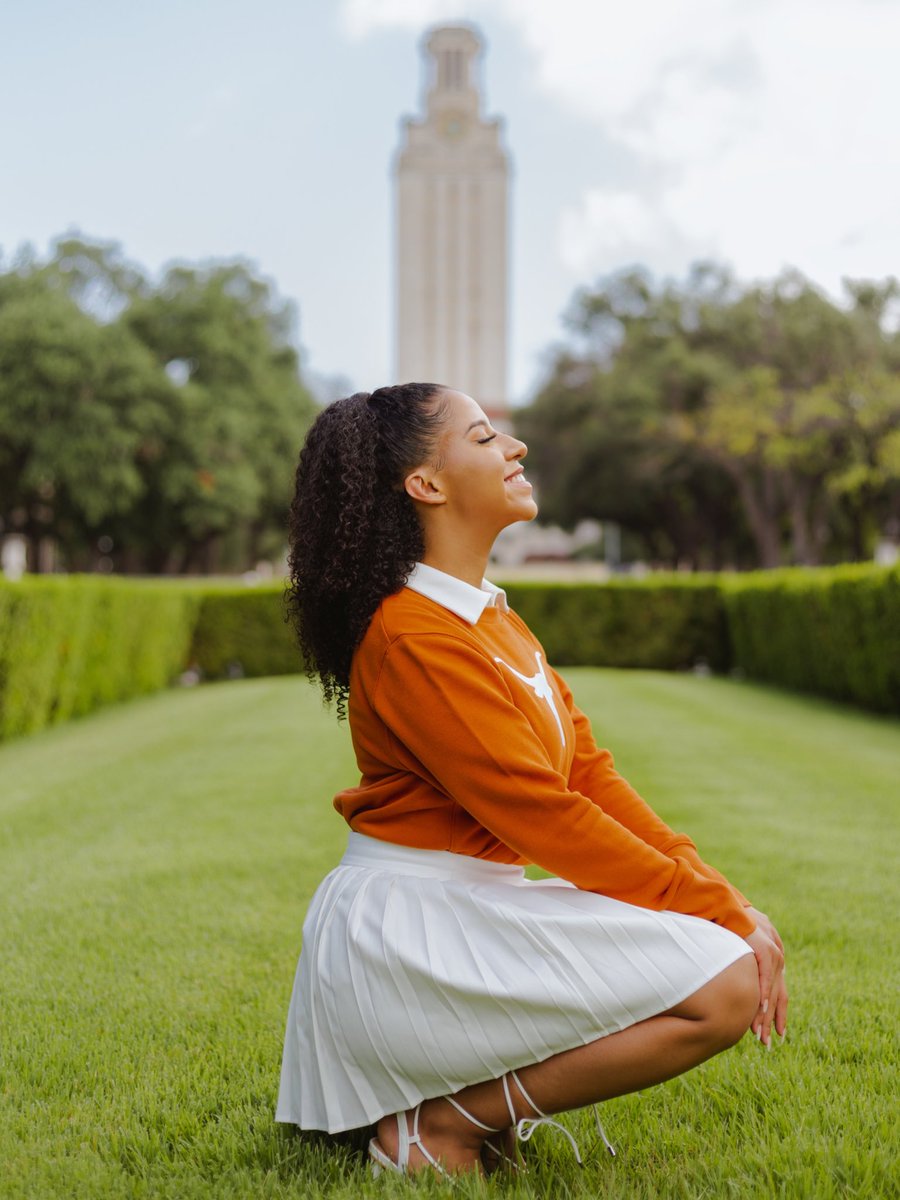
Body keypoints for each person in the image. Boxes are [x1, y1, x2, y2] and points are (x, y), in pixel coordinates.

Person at [276, 382, 787, 1177]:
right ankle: (436, 1127)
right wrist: (725, 917)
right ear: (427, 485)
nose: (514, 449)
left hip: (471, 903)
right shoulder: (414, 635)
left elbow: (588, 774)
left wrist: (720, 895)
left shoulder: (493, 619)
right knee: (724, 984)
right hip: (414, 930)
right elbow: (543, 818)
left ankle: (469, 1106)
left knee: (721, 946)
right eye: (484, 439)